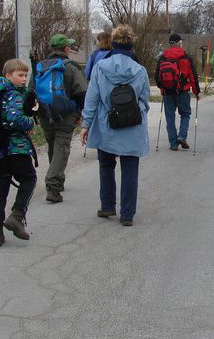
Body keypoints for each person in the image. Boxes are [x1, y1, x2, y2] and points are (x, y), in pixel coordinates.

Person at [80, 24, 150, 226]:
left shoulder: (100, 67)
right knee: (130, 169)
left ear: (113, 43)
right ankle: (127, 214)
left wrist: (86, 124)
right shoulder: (140, 70)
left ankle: (108, 205)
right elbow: (144, 100)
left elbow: (92, 98)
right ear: (131, 44)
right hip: (132, 125)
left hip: (106, 125)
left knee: (106, 165)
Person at [0, 59, 37, 247]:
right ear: (8, 75)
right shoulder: (13, 94)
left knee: (0, 190)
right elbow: (14, 120)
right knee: (29, 179)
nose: (23, 79)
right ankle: (17, 215)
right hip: (15, 148)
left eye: (25, 75)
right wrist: (31, 122)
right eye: (20, 75)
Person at [34, 34, 88, 203]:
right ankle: (53, 185)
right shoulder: (71, 67)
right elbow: (81, 92)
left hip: (45, 113)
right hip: (66, 115)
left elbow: (30, 91)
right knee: (61, 148)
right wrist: (80, 113)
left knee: (53, 145)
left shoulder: (41, 66)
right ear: (66, 49)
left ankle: (57, 180)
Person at [154, 33, 200, 151]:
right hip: (183, 91)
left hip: (168, 92)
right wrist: (196, 91)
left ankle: (173, 144)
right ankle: (182, 136)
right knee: (185, 114)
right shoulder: (185, 56)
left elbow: (157, 77)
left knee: (170, 117)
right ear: (179, 43)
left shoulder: (163, 57)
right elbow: (193, 75)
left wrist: (162, 89)